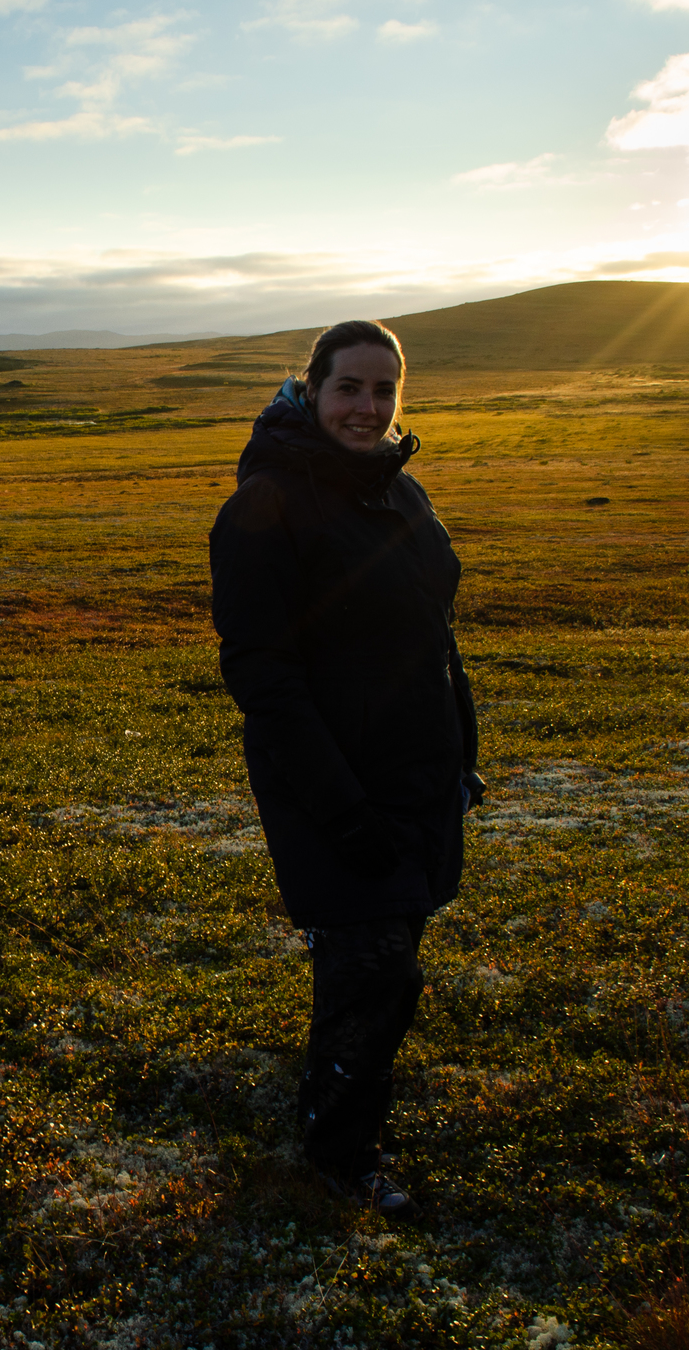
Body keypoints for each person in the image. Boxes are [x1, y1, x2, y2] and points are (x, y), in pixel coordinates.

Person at [207, 319, 483, 1215]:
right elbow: (263, 675)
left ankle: (341, 1109)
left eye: (383, 391)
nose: (368, 409)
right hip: (333, 787)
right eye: (349, 389)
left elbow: (433, 638)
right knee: (373, 966)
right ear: (310, 390)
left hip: (415, 775)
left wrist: (461, 757)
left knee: (385, 961)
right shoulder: (267, 506)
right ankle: (337, 1159)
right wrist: (342, 809)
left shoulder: (399, 493)